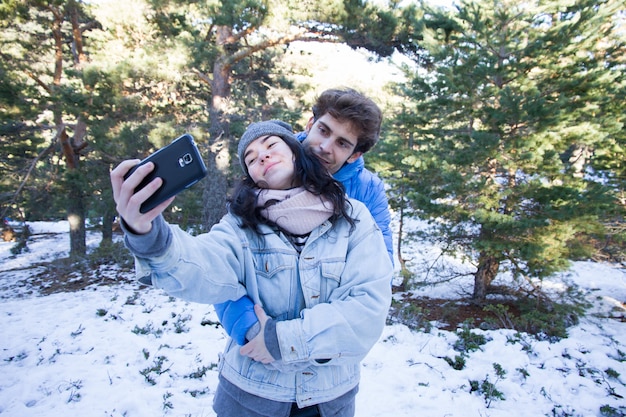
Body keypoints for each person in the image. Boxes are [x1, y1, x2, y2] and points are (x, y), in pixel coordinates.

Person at [111, 120, 393, 417]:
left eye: (271, 145)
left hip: (330, 402)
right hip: (251, 400)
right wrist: (148, 235)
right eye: (251, 158)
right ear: (253, 179)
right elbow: (200, 266)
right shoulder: (239, 227)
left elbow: (367, 308)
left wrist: (278, 340)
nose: (262, 155)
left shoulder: (353, 218)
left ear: (296, 153)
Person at [216, 88, 393, 346]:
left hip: (326, 351)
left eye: (342, 143)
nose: (325, 147)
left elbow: (379, 272)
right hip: (258, 348)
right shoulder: (272, 160)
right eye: (323, 131)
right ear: (311, 124)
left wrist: (314, 338)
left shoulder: (367, 191)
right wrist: (251, 330)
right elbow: (226, 266)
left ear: (355, 154)